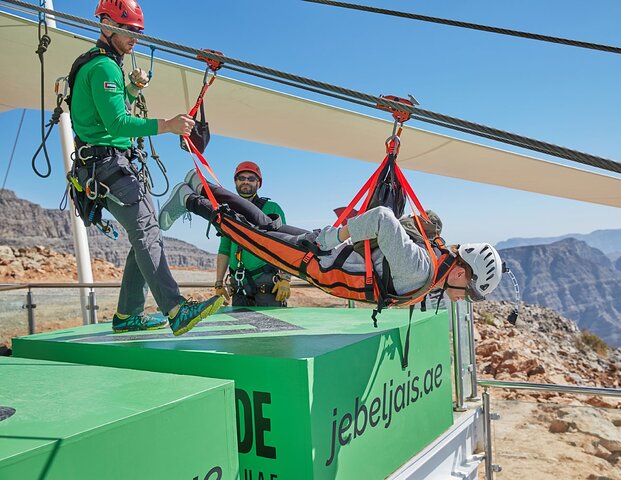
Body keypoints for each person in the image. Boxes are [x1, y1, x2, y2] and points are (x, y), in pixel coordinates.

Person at [67, 0, 222, 335]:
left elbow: (103, 114)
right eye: (129, 30)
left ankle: (127, 315)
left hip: (102, 167)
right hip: (109, 166)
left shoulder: (99, 64)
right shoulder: (104, 67)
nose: (135, 38)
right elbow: (119, 122)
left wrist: (134, 87)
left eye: (138, 31)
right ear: (106, 24)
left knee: (145, 235)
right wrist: (166, 125)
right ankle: (176, 309)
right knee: (148, 234)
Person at [159, 171, 504, 307]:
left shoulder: (435, 267)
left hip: (326, 253)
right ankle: (190, 199)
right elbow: (383, 218)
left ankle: (200, 183)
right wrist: (331, 237)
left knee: (261, 225)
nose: (463, 301)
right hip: (322, 260)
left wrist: (329, 240)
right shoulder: (422, 270)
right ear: (461, 273)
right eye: (467, 295)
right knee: (249, 235)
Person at [213, 162, 291, 307]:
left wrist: (285, 278)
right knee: (240, 329)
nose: (246, 181)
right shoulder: (228, 211)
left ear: (258, 183)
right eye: (242, 178)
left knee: (271, 328)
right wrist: (218, 283)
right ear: (235, 182)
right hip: (238, 285)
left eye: (251, 178)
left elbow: (285, 245)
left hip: (266, 282)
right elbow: (224, 249)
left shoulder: (272, 208)